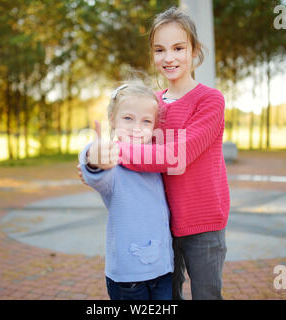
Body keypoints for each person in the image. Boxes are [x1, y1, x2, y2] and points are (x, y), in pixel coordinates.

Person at [78, 6, 229, 300]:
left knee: (206, 295)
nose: (168, 57)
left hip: (203, 221)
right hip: (162, 224)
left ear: (194, 50)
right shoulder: (152, 103)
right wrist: (93, 161)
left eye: (178, 48)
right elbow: (123, 137)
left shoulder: (210, 101)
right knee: (169, 296)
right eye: (160, 50)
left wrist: (116, 152)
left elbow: (175, 157)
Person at [78, 80, 174, 300]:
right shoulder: (113, 160)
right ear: (113, 119)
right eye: (128, 118)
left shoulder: (155, 158)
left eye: (146, 121)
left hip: (163, 269)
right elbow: (97, 172)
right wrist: (94, 158)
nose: (137, 127)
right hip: (129, 278)